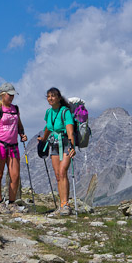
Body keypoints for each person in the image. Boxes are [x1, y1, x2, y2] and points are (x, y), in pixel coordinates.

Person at [0, 82, 28, 213]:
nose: (11, 97)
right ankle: (0, 203)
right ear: (2, 95)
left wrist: (22, 134)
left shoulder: (15, 109)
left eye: (13, 95)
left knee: (15, 176)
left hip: (13, 146)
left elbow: (19, 125)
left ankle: (11, 203)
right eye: (9, 95)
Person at [37, 87, 76, 215]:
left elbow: (70, 130)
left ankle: (66, 205)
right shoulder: (49, 112)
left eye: (53, 96)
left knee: (62, 171)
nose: (50, 98)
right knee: (58, 175)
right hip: (53, 144)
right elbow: (48, 127)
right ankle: (62, 204)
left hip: (65, 143)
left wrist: (72, 146)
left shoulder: (65, 112)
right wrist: (43, 139)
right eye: (48, 96)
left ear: (59, 98)